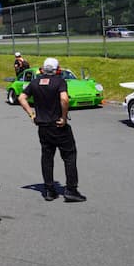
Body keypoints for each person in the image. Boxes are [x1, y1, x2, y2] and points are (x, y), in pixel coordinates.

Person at [18, 57, 86, 202]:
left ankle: (49, 190)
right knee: (69, 156)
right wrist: (64, 116)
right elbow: (64, 99)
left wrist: (32, 114)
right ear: (57, 70)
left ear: (42, 69)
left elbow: (21, 98)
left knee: (47, 157)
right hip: (58, 125)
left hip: (42, 126)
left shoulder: (35, 82)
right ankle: (71, 190)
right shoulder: (60, 82)